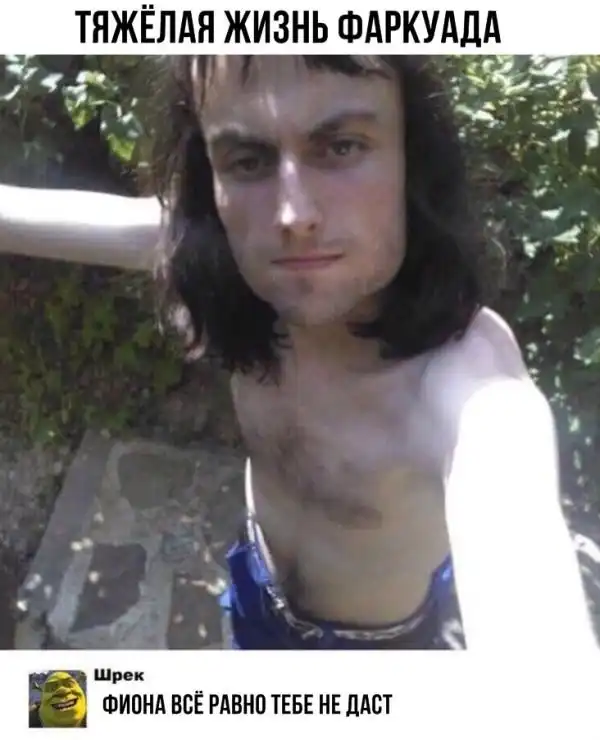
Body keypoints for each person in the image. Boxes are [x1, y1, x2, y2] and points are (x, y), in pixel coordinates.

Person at [0, 55, 595, 650]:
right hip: (253, 584)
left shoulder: (467, 378)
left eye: (341, 147)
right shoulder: (238, 262)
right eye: (249, 161)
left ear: (413, 157)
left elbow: (522, 563)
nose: (293, 216)